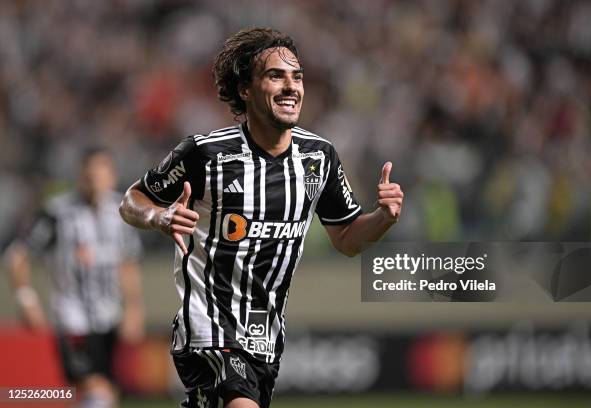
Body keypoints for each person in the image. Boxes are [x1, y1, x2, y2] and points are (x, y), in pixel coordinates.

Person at [119, 27, 403, 408]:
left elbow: (348, 238)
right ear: (245, 90)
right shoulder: (205, 154)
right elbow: (132, 199)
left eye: (296, 77)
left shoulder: (318, 157)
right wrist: (158, 216)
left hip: (266, 338)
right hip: (208, 329)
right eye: (275, 75)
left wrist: (384, 217)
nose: (291, 86)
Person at [6, 148, 144, 408]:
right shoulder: (57, 213)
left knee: (105, 392)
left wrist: (134, 308)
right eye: (89, 175)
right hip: (73, 317)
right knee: (95, 388)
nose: (95, 182)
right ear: (80, 176)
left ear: (112, 177)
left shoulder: (122, 211)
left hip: (109, 316)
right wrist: (26, 299)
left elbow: (127, 263)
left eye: (101, 175)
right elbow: (17, 256)